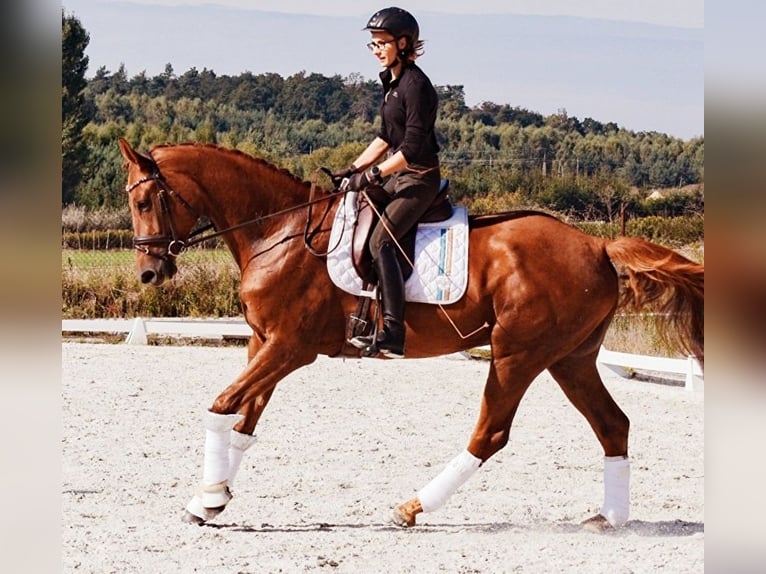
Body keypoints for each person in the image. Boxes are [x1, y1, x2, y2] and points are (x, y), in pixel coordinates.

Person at [332, 7, 441, 359]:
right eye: (373, 44)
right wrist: (351, 170)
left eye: (382, 43)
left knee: (382, 242)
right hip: (398, 175)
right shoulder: (391, 83)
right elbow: (383, 138)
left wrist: (375, 174)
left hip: (418, 178)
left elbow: (409, 149)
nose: (377, 49)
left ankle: (393, 331)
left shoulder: (417, 86)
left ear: (404, 43)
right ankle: (362, 313)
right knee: (355, 212)